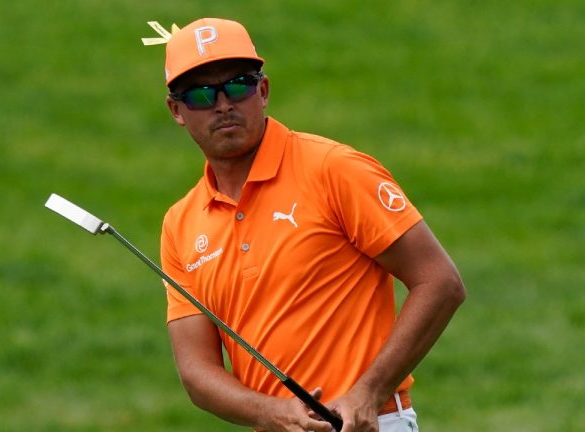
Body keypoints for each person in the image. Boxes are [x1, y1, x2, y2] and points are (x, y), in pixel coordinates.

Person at [155, 17, 466, 432]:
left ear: (263, 91)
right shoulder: (181, 222)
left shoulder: (332, 169)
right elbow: (197, 372)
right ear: (177, 110)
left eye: (238, 85)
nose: (223, 104)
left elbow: (439, 281)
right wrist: (267, 410)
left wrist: (368, 392)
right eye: (201, 94)